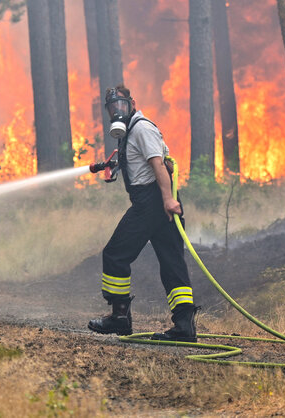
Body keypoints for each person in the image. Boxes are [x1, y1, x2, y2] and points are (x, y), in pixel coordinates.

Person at [87, 85, 198, 342]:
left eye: (121, 105)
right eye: (112, 108)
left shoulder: (142, 128)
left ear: (132, 103)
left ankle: (120, 317)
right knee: (172, 262)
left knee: (115, 253)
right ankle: (184, 326)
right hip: (158, 200)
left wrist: (168, 200)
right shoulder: (130, 133)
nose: (117, 111)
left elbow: (158, 165)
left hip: (153, 201)